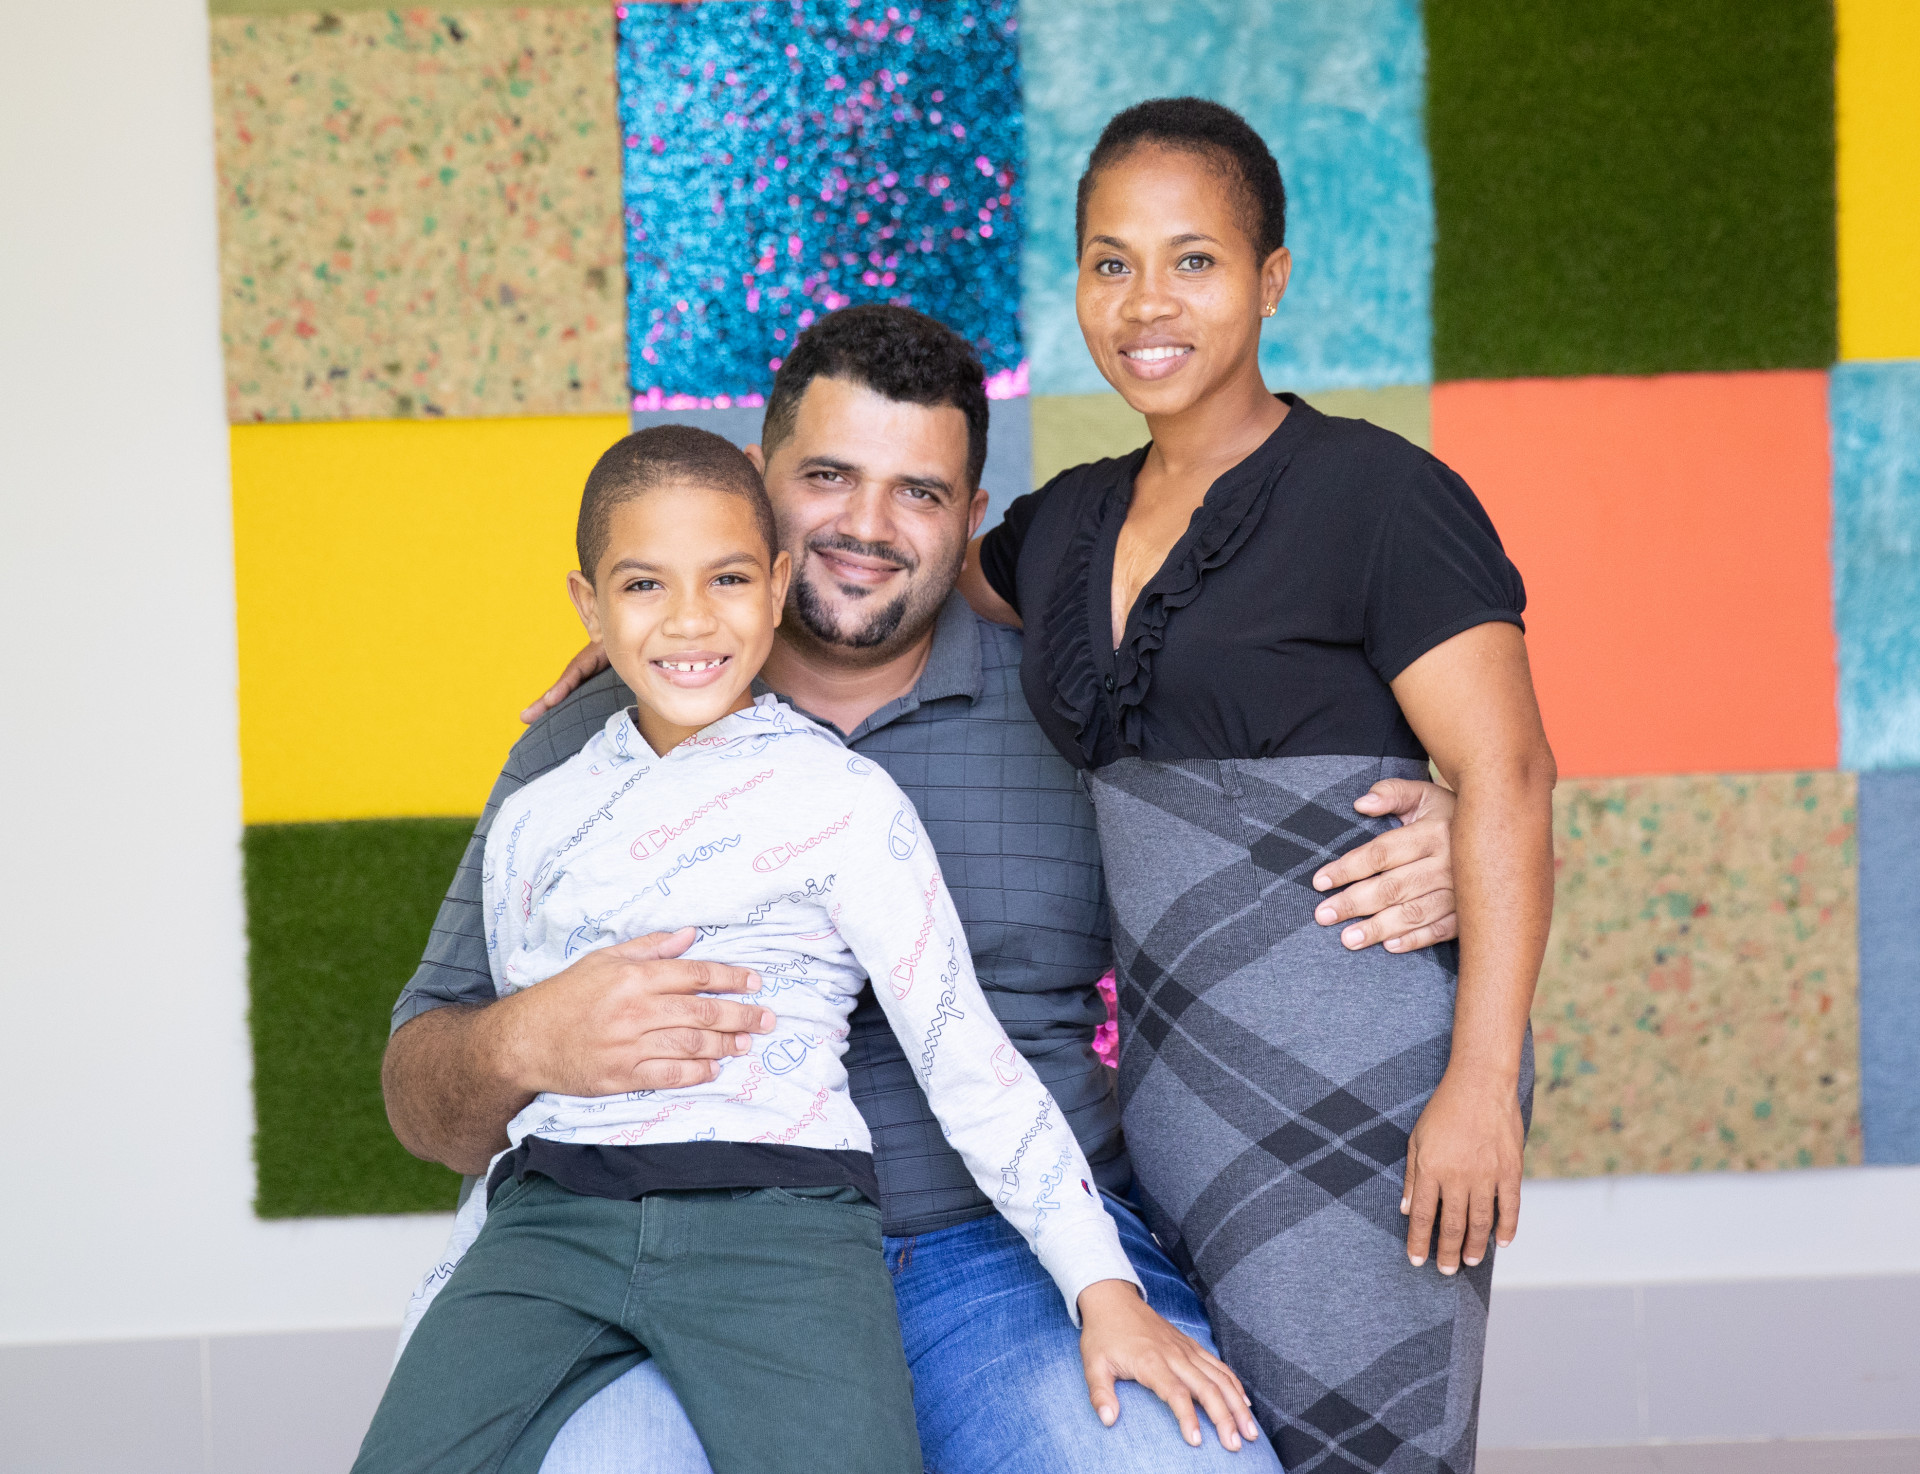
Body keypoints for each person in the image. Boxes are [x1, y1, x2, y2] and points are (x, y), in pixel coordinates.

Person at [383, 306, 1464, 1474]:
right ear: (755, 481)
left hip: (1003, 1259)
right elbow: (421, 1101)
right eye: (828, 476)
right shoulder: (586, 747)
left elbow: (1273, 829)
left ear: (973, 518)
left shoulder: (1076, 699)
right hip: (664, 1240)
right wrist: (525, 1040)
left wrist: (1454, 827)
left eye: (920, 493)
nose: (866, 525)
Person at [958, 99, 1556, 1472]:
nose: (1146, 302)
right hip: (1168, 1096)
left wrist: (1481, 1086)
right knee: (1226, 1446)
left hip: (1373, 1075)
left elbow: (1511, 774)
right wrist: (691, 623)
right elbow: (888, 604)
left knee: (1369, 1446)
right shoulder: (1064, 522)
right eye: (1110, 263)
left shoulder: (1379, 495)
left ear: (1270, 277)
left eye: (1195, 260)